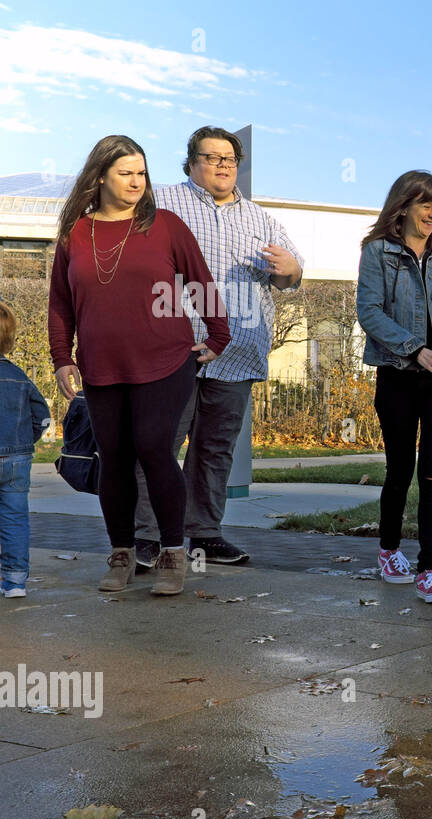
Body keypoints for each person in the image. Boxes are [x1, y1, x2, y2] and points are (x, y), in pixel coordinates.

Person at [48, 134, 229, 595]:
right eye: (125, 172)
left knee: (153, 448)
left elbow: (200, 282)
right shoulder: (77, 233)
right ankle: (121, 553)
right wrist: (60, 357)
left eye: (141, 172)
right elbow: (60, 302)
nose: (136, 181)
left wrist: (218, 337)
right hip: (102, 365)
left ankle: (172, 555)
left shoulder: (165, 225)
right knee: (114, 459)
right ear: (100, 176)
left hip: (165, 360)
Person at [133, 126, 305, 570]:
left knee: (214, 448)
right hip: (175, 346)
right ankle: (145, 538)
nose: (224, 166)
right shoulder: (162, 202)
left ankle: (204, 535)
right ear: (191, 162)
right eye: (212, 158)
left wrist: (291, 269)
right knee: (159, 444)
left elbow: (290, 277)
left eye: (230, 159)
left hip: (238, 353)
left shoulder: (261, 218)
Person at [355, 170, 432, 604]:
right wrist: (415, 350)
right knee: (400, 470)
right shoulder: (378, 253)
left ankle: (431, 569)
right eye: (427, 204)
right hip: (398, 377)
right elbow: (368, 313)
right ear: (404, 204)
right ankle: (389, 551)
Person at [0, 301, 51, 598]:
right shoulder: (20, 376)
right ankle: (15, 581)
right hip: (17, 459)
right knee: (15, 518)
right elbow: (42, 416)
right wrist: (24, 441)